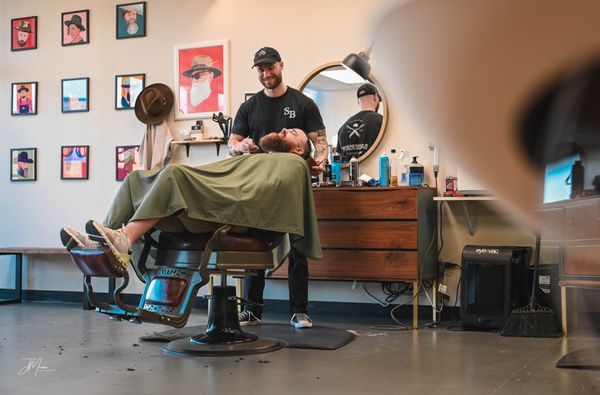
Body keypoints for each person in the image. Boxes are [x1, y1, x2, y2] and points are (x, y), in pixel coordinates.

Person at [60, 128, 317, 267]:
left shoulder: (294, 164)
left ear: (299, 149)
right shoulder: (258, 159)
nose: (284, 129)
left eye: (293, 132)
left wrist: (227, 194)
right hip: (207, 206)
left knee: (174, 173)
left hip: (230, 215)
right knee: (135, 179)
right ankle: (106, 241)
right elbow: (229, 177)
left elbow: (259, 197)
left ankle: (125, 239)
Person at [228, 46, 329, 329]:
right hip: (259, 186)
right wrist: (241, 146)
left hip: (292, 187)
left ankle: (299, 310)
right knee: (255, 247)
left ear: (281, 66)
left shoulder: (303, 103)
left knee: (297, 248)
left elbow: (320, 141)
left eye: (270, 67)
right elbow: (232, 144)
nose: (265, 73)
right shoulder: (250, 107)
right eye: (260, 69)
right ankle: (252, 310)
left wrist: (318, 160)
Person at [336, 83, 383, 159]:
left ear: (358, 101)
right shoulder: (382, 122)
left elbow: (337, 158)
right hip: (373, 170)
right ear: (376, 97)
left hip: (347, 171)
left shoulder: (343, 128)